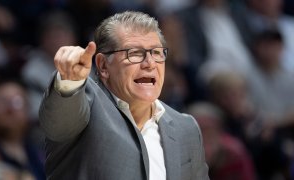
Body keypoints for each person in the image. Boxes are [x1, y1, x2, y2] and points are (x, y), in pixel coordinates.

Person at [39, 11, 209, 180]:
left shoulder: (186, 128)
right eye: (134, 53)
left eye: (157, 53)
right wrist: (70, 81)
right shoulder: (85, 103)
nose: (150, 63)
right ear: (103, 66)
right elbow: (59, 123)